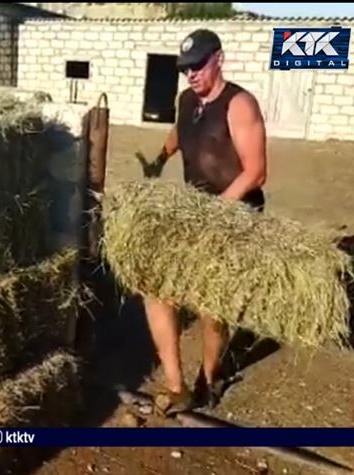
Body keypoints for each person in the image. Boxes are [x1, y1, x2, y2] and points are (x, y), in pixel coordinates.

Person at [141, 29, 268, 415]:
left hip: (235, 216)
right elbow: (181, 130)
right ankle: (178, 385)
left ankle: (209, 379)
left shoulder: (240, 105)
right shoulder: (186, 100)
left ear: (219, 58)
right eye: (185, 69)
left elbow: (256, 173)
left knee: (214, 305)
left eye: (198, 65)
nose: (191, 74)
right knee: (156, 290)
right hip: (195, 213)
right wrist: (160, 160)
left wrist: (216, 211)